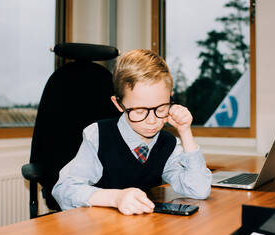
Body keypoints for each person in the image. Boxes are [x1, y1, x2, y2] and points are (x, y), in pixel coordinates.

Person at [52, 49, 212, 215]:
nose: (152, 120)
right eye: (140, 111)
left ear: (170, 98)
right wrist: (116, 198)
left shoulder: (167, 144)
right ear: (119, 104)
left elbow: (199, 190)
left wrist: (185, 132)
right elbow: (63, 189)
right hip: (99, 228)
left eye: (161, 107)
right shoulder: (98, 136)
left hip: (143, 228)